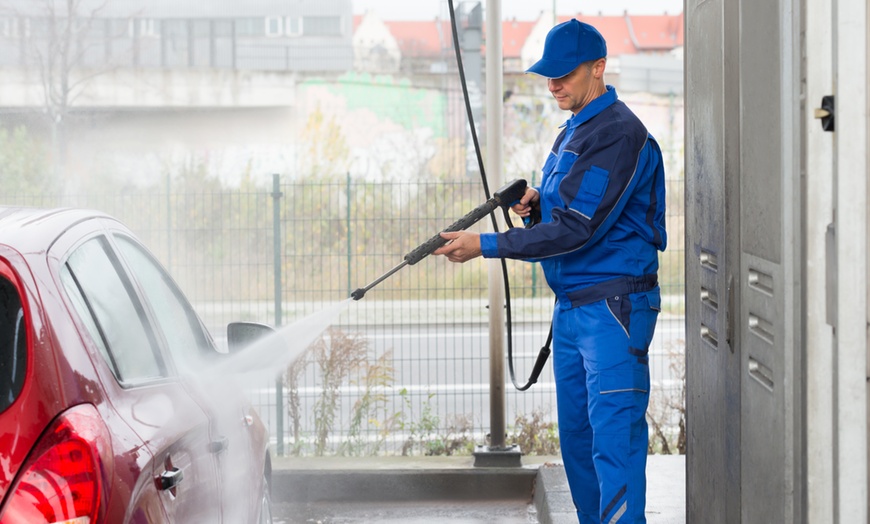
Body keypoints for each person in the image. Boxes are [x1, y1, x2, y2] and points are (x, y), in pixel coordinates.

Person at [433, 19, 667, 524]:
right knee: (579, 447)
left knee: (614, 448)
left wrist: (486, 244)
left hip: (613, 308)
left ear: (598, 68)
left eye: (564, 73)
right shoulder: (575, 131)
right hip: (574, 310)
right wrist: (537, 205)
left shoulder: (619, 134)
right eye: (548, 74)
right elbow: (568, 216)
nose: (553, 84)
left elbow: (579, 229)